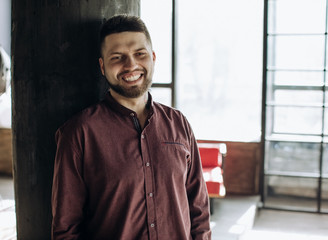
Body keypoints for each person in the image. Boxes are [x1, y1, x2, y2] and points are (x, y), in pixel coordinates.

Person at [51, 14, 211, 240]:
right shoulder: (79, 133)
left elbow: (199, 209)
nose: (131, 65)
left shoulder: (179, 124)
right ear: (102, 66)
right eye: (117, 57)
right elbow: (66, 229)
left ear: (153, 57)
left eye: (140, 54)